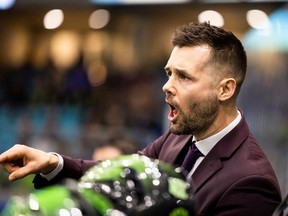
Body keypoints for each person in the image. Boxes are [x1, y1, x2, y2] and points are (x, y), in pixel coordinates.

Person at [0, 22, 282, 215]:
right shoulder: (177, 137)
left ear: (225, 89)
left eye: (184, 76)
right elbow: (121, 176)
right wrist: (53, 163)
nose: (167, 85)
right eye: (169, 72)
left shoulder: (252, 182)